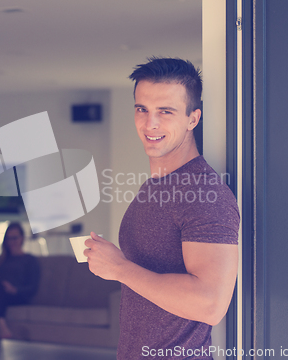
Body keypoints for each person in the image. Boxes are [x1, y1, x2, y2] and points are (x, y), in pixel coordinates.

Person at [85, 57, 239, 359]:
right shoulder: (155, 186)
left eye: (165, 112)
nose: (149, 123)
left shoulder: (203, 192)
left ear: (193, 119)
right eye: (142, 109)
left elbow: (210, 304)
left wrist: (119, 269)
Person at [0, 222, 40, 340]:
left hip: (17, 296)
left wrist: (14, 289)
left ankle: (1, 326)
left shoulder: (30, 260)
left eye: (14, 238)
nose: (11, 241)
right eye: (8, 238)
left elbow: (32, 287)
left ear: (22, 238)